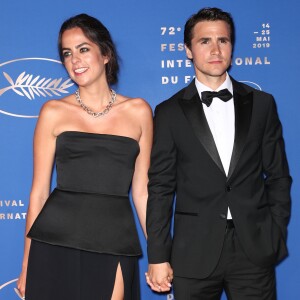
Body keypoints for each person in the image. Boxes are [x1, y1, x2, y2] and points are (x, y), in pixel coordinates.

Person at [146, 7, 291, 300]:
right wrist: (158, 255)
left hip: (254, 248)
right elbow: (160, 188)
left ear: (231, 46)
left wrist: (274, 233)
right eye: (204, 41)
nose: (215, 49)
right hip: (193, 251)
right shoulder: (169, 112)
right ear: (188, 50)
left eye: (223, 41)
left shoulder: (262, 104)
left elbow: (278, 176)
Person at [17, 13, 153, 300]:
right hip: (53, 243)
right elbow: (39, 193)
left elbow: (142, 192)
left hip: (113, 239)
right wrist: (27, 264)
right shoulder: (53, 111)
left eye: (83, 49)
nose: (75, 60)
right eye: (67, 53)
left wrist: (160, 252)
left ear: (105, 54)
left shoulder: (139, 111)